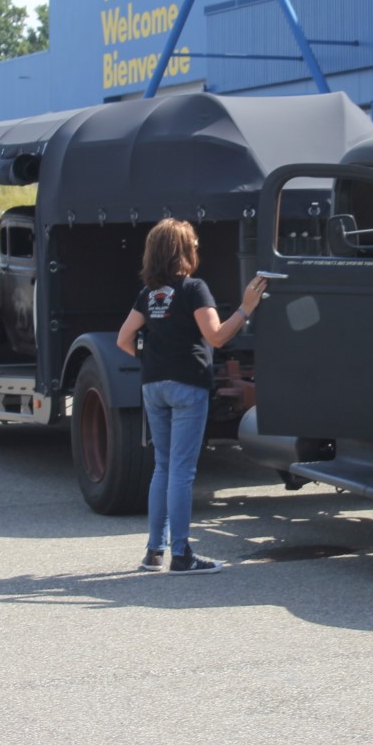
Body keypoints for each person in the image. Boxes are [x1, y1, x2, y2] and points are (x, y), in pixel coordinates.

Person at [117, 220, 266, 574]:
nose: (197, 248)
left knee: (164, 467)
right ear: (183, 250)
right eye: (193, 244)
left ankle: (155, 551)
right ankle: (181, 554)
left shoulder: (147, 294)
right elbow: (216, 337)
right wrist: (246, 308)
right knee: (182, 471)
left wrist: (154, 358)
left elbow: (124, 339)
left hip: (154, 386)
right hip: (188, 384)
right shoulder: (194, 289)